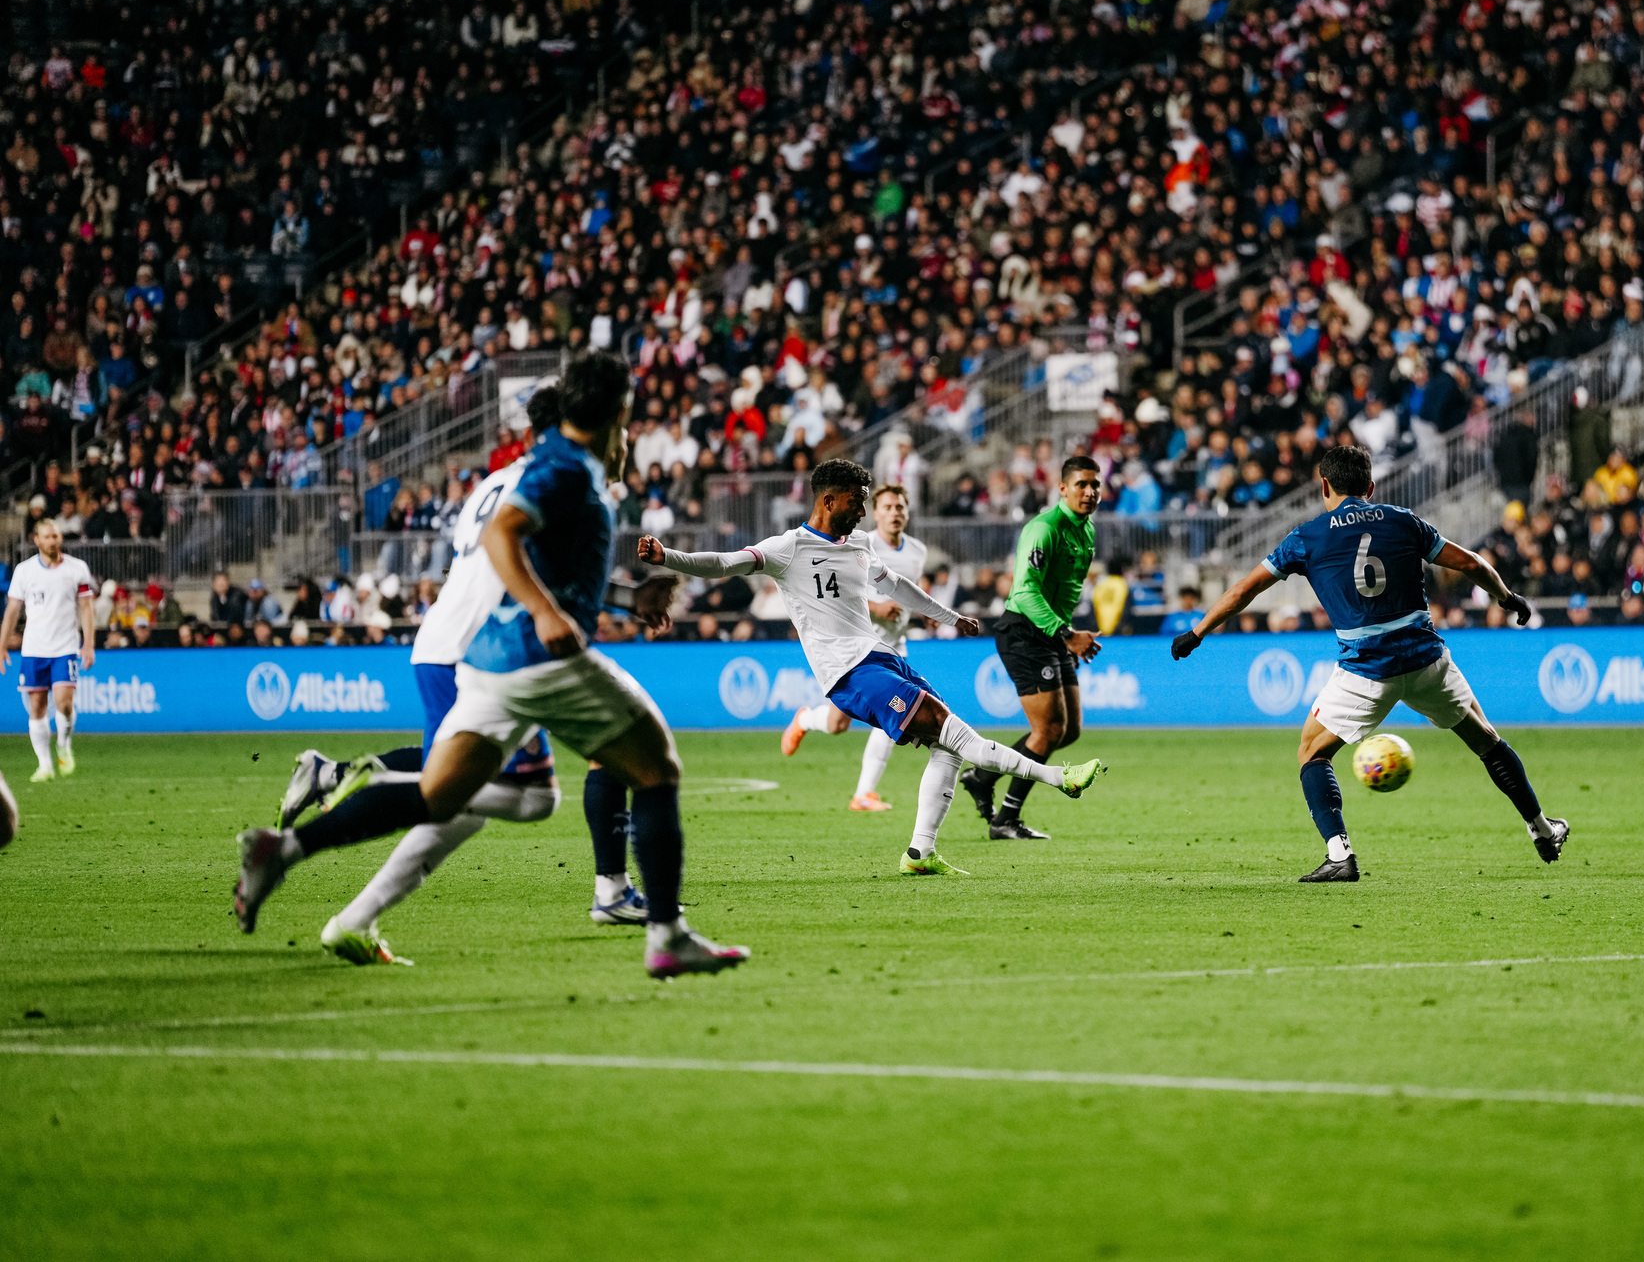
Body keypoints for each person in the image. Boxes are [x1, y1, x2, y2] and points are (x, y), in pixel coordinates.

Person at [234, 354, 746, 981]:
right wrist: (548, 613)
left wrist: (619, 598)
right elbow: (503, 539)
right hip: (534, 655)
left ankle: (285, 848)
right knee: (654, 766)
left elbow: (530, 553)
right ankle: (663, 932)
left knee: (448, 795)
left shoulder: (531, 467)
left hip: (484, 657)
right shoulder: (565, 470)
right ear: (620, 415)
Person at [272, 392, 649, 964]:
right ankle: (347, 783)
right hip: (488, 646)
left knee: (474, 790)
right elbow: (526, 561)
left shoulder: (493, 482)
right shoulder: (560, 480)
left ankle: (354, 901)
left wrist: (618, 600)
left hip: (460, 639)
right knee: (513, 795)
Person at [649, 459, 1106, 876]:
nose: (864, 510)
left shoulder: (860, 543)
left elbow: (898, 585)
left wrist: (950, 617)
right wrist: (667, 557)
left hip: (882, 657)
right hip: (849, 673)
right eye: (857, 500)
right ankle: (1058, 778)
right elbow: (723, 563)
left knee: (945, 746)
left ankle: (920, 853)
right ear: (828, 500)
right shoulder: (788, 548)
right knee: (954, 730)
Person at [1169, 445, 1567, 882]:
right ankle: (1542, 828)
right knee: (1487, 740)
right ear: (1370, 486)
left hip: (1366, 671)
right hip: (1426, 661)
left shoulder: (1307, 536)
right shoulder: (1403, 520)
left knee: (1311, 752)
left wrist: (1198, 631)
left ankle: (1340, 854)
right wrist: (1507, 598)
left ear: (1324, 485)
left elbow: (1246, 589)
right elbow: (1470, 563)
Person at [960, 456, 1104, 840]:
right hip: (1025, 630)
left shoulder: (1086, 530)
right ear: (1062, 488)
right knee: (1048, 729)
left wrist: (1066, 633)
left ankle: (983, 776)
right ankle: (1005, 819)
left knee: (1069, 731)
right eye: (1081, 485)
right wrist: (1066, 634)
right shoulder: (1043, 529)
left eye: (1095, 485)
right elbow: (1024, 591)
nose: (1090, 492)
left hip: (1054, 632)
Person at [778, 483, 930, 813]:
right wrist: (877, 609)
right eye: (888, 507)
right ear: (876, 513)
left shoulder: (918, 551)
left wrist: (924, 614)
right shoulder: (859, 544)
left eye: (900, 507)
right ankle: (805, 720)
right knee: (837, 725)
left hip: (892, 648)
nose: (895, 513)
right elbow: (839, 594)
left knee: (893, 716)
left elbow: (906, 589)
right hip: (855, 649)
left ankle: (863, 793)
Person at [0, 519, 96, 781]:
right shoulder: (24, 571)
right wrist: (1, 645)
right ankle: (45, 765)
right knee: (37, 707)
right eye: (48, 536)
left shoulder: (77, 569)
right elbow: (12, 610)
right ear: (37, 540)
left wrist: (88, 643)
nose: (53, 540)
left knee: (64, 703)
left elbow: (87, 608)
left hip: (65, 647)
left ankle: (64, 745)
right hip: (34, 649)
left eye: (56, 536)